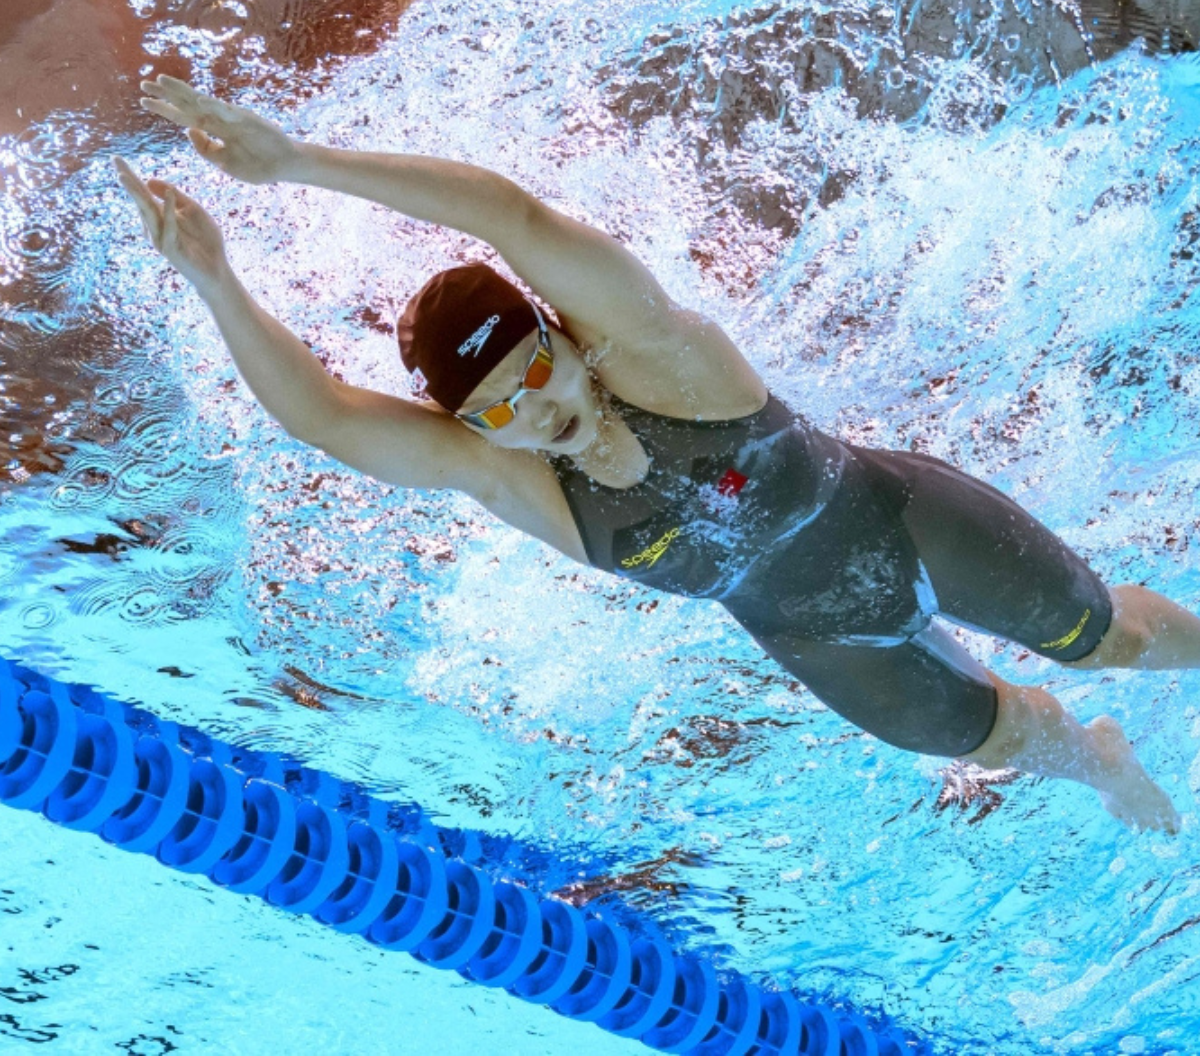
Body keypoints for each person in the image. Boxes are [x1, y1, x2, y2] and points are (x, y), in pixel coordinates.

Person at [114, 73, 1200, 835]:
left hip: (902, 522)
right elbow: (325, 419)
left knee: (1104, 639)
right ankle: (1096, 759)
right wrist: (213, 275)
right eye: (498, 411)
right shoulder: (522, 479)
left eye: (536, 371)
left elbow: (512, 213)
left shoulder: (666, 362)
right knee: (1005, 735)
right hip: (823, 644)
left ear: (563, 338)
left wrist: (298, 161)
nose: (535, 413)